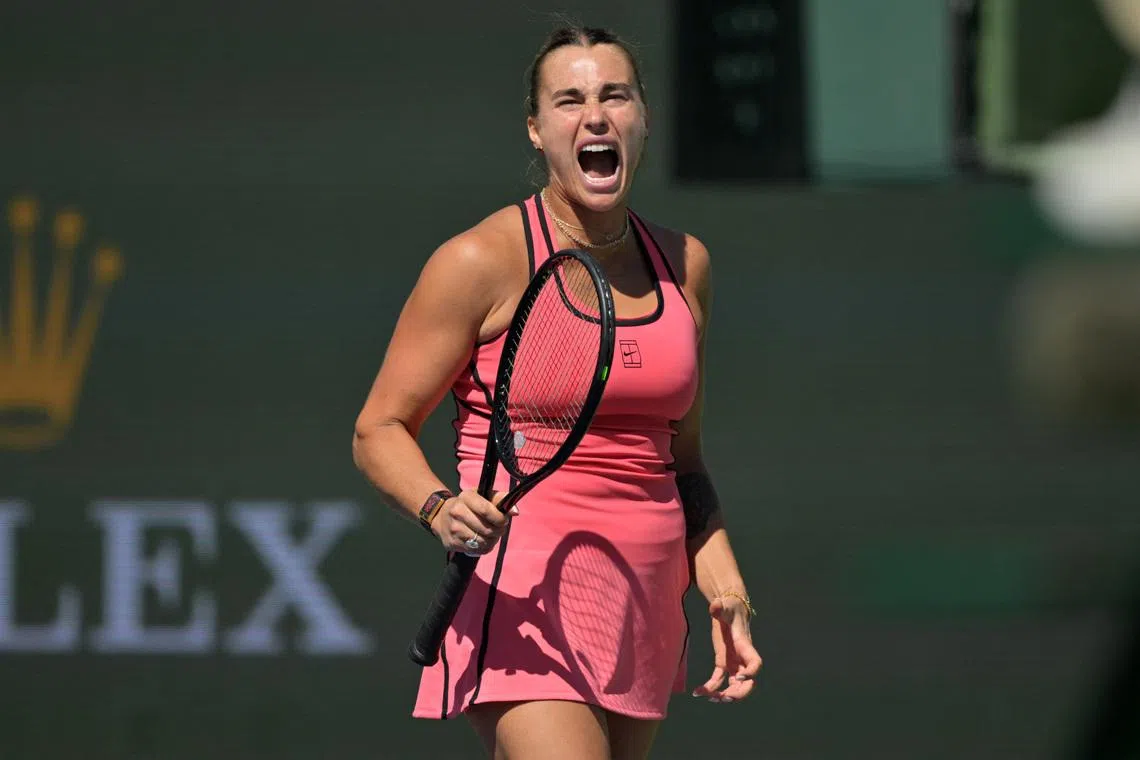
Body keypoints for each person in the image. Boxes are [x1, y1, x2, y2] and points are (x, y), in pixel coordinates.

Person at [352, 25, 761, 760]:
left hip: (644, 599)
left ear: (643, 119)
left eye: (615, 95)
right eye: (569, 101)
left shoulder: (685, 265)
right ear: (537, 132)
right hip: (523, 596)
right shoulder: (478, 260)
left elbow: (682, 459)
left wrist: (724, 582)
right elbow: (378, 428)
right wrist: (440, 508)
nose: (595, 116)